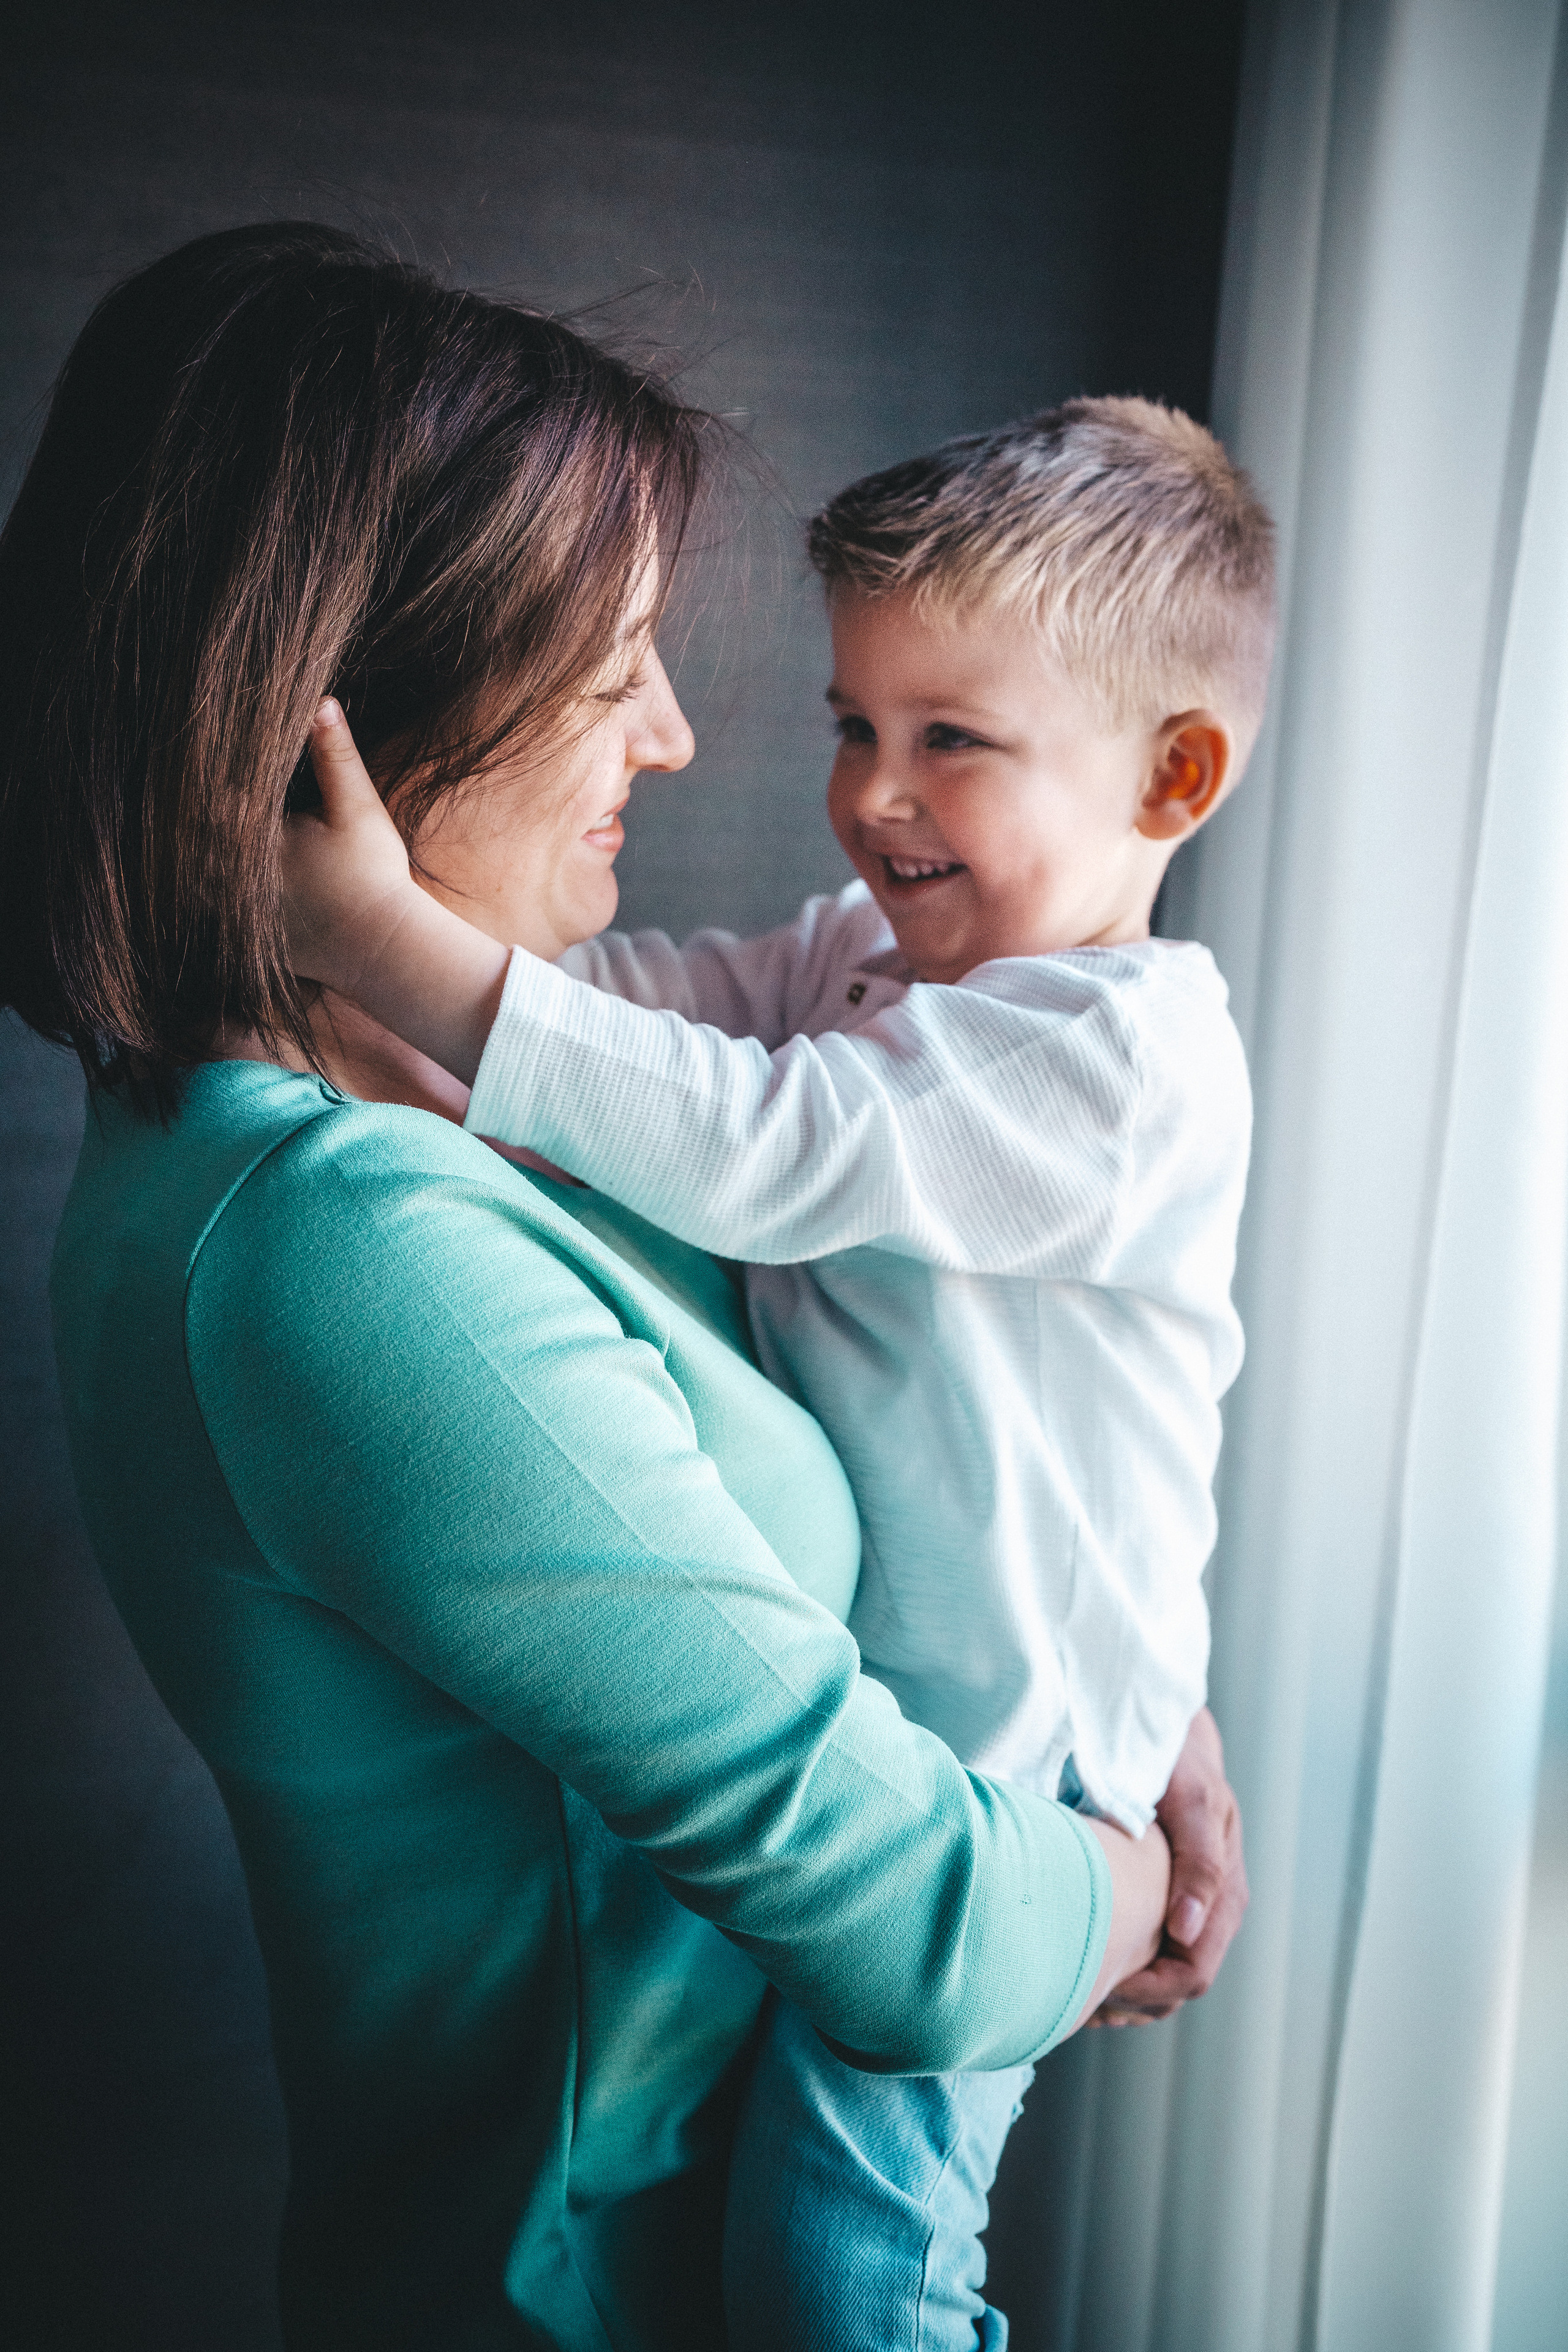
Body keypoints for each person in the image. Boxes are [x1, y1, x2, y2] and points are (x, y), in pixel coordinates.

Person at [0, 226, 1245, 2351]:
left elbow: (933, 1365)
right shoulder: (338, 1243)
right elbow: (937, 1946)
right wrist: (1131, 1875)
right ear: (366, 721)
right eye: (612, 670)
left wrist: (1133, 1682)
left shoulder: (426, 1121)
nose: (681, 741)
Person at [283, 396, 1271, 2348]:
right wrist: (398, 998)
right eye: (855, 726)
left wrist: (389, 945)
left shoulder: (1117, 1059)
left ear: (1173, 775)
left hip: (1026, 1759)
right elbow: (652, 1009)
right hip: (928, 1729)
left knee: (854, 2266)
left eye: (950, 743)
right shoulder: (868, 960)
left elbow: (759, 1141)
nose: (873, 796)